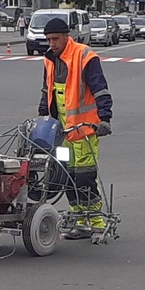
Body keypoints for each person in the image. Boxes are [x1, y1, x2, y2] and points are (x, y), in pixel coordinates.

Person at [37, 16, 113, 226]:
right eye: (48, 39)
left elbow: (100, 89)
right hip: (62, 132)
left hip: (85, 130)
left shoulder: (84, 55)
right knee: (67, 175)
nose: (51, 43)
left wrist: (105, 118)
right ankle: (79, 219)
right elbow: (47, 89)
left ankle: (96, 222)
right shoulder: (49, 59)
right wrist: (43, 116)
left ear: (66, 36)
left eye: (55, 39)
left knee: (85, 176)